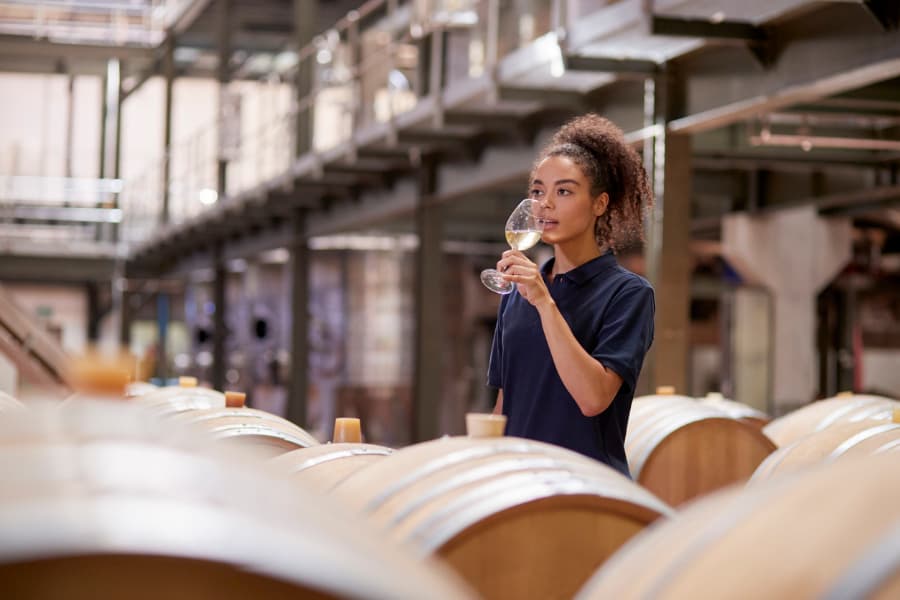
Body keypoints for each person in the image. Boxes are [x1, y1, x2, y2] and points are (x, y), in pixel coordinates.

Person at [487, 113, 655, 478]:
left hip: (585, 491)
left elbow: (593, 398)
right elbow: (506, 404)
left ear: (600, 204)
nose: (545, 204)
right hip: (518, 485)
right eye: (537, 191)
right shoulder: (516, 294)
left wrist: (545, 303)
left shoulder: (628, 294)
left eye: (563, 191)